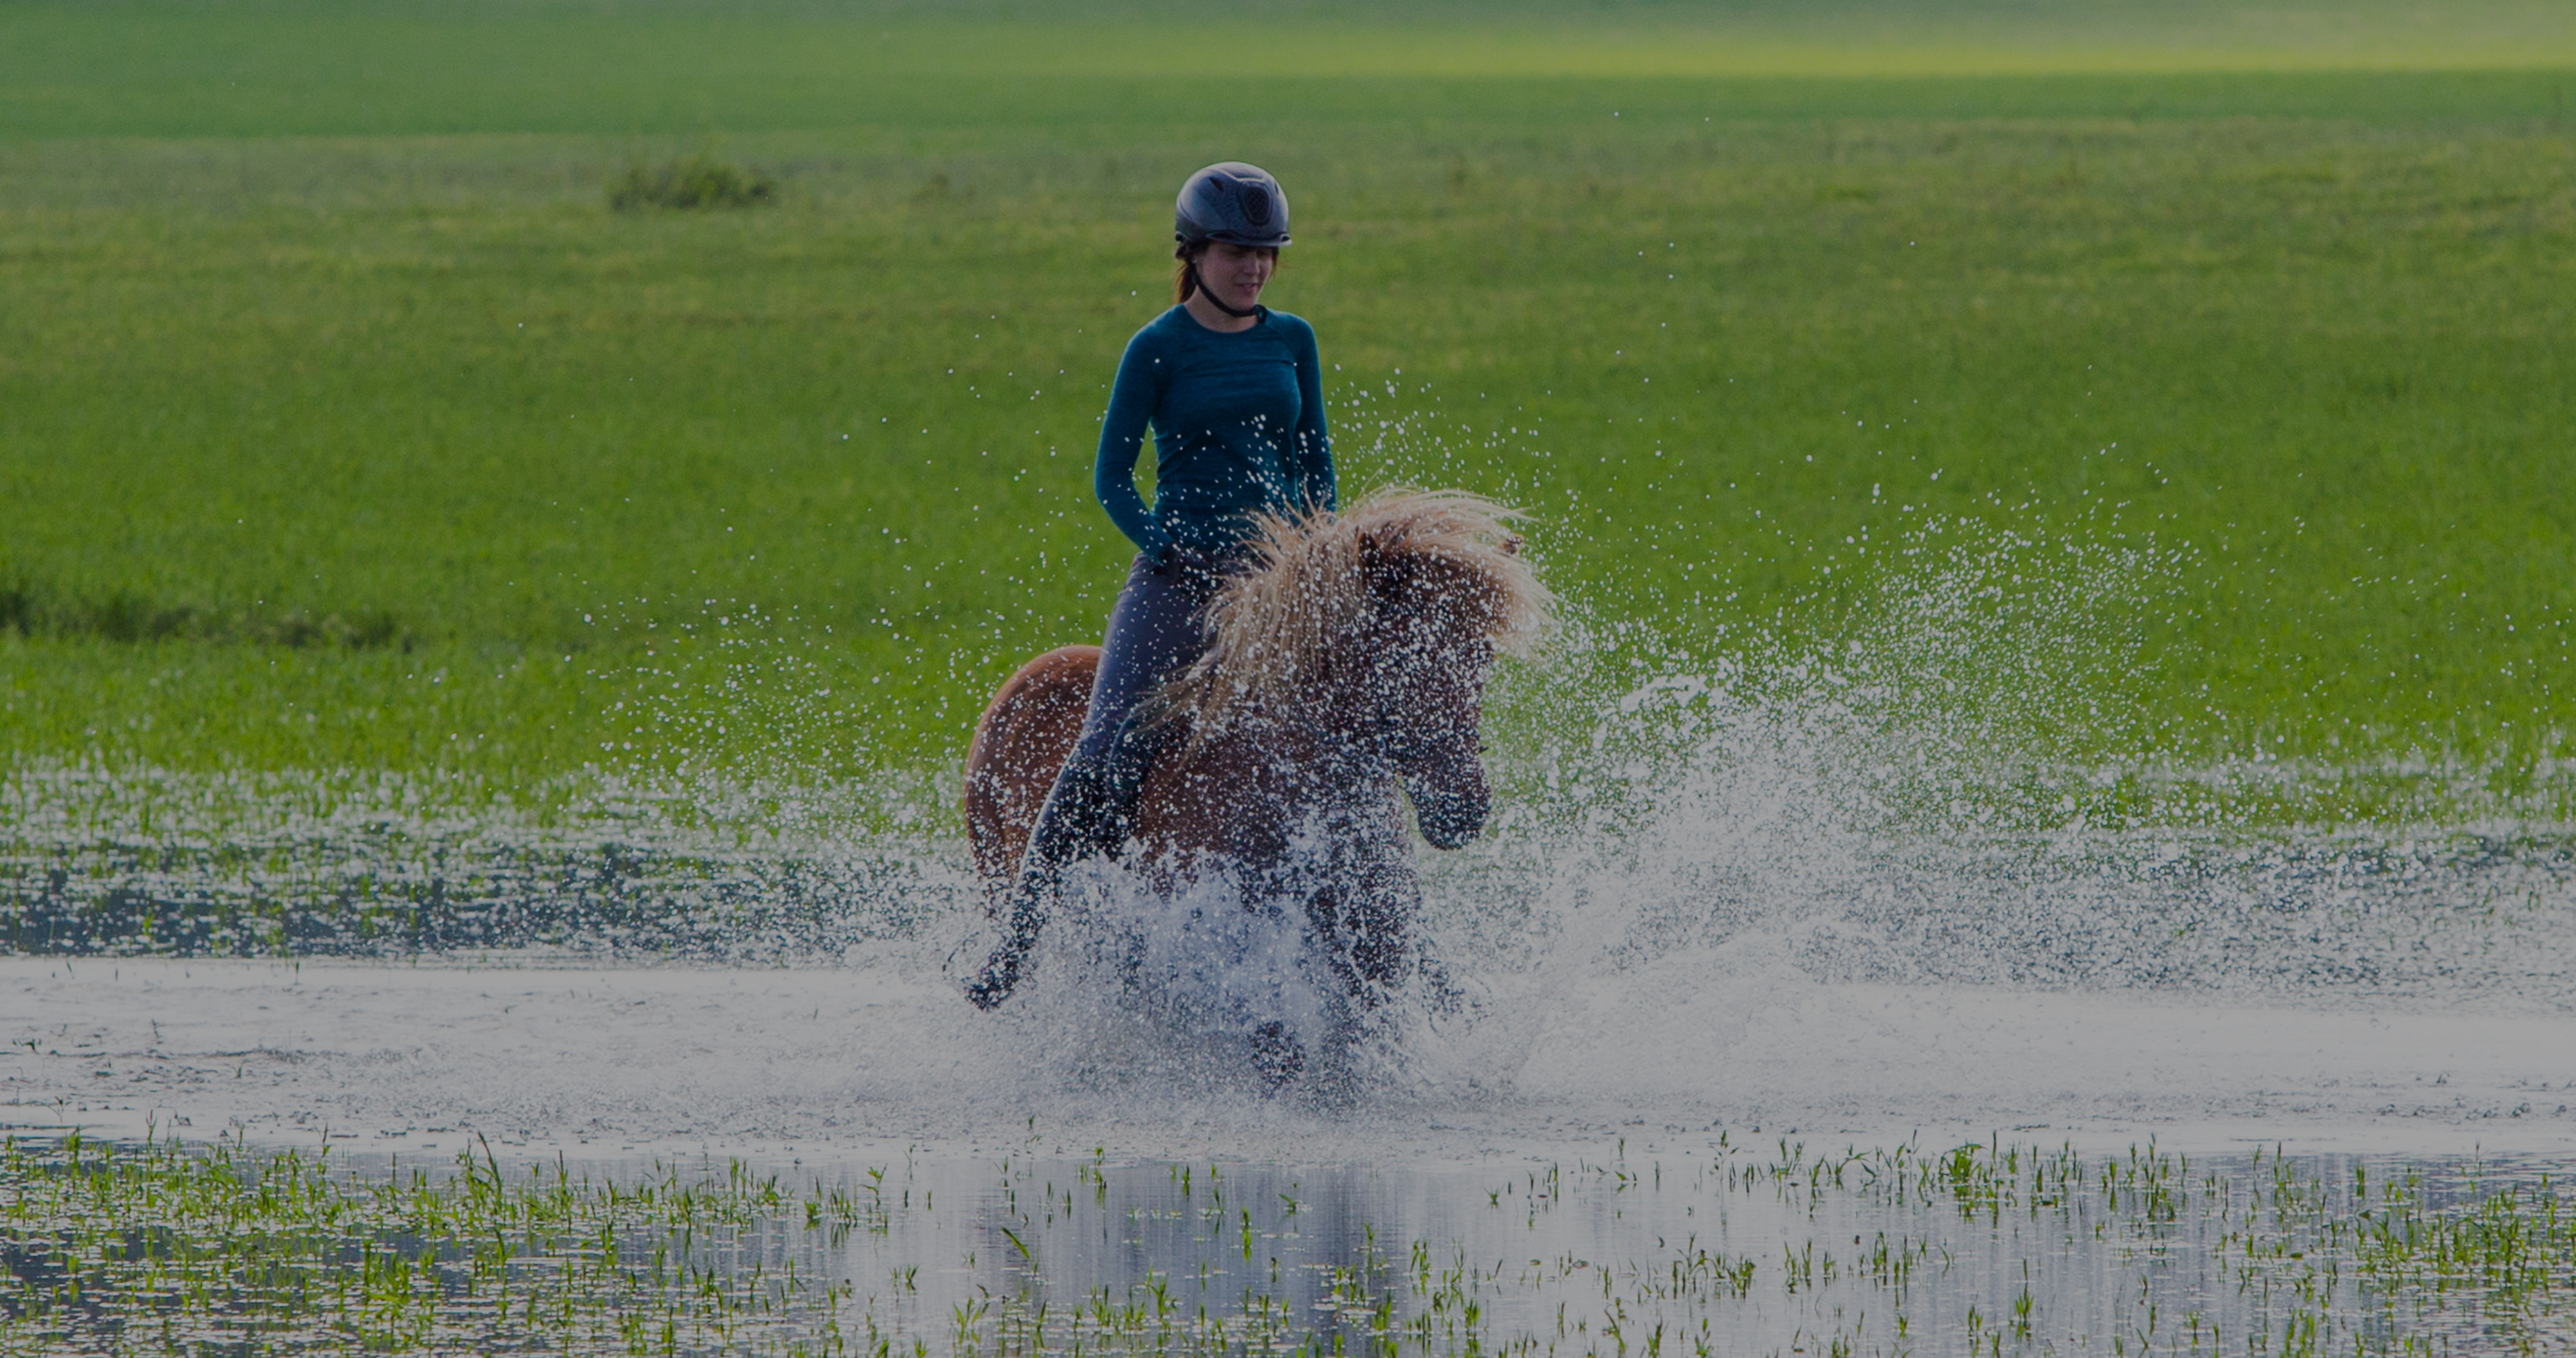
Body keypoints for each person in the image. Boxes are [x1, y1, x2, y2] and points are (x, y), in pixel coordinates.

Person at [967, 161, 1334, 1009]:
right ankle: (1018, 941)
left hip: (1275, 583)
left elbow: (1316, 465)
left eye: (1267, 253)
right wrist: (1166, 544)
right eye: (1238, 251)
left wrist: (1316, 556)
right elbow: (1112, 478)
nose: (1255, 268)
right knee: (1103, 749)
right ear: (1194, 252)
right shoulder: (1158, 347)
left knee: (1349, 736)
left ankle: (1410, 952)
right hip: (1175, 582)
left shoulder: (1295, 341)